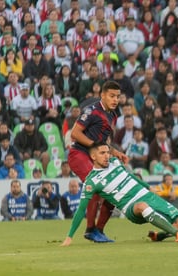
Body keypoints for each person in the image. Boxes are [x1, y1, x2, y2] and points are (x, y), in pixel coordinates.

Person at [61, 143, 178, 246]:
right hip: (131, 206)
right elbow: (81, 209)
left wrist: (148, 187)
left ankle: (159, 235)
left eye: (107, 152)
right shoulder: (92, 181)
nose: (106, 156)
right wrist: (69, 236)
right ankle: (177, 233)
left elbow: (131, 176)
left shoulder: (115, 163)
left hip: (147, 195)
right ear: (93, 157)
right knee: (142, 206)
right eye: (102, 153)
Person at [68, 80, 128, 243]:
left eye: (117, 96)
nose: (115, 99)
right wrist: (94, 146)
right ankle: (89, 230)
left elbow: (103, 141)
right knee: (94, 185)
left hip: (97, 155)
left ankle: (98, 230)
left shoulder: (113, 116)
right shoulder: (92, 110)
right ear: (102, 95)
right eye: (111, 96)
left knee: (111, 191)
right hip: (79, 153)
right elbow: (75, 133)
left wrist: (115, 152)